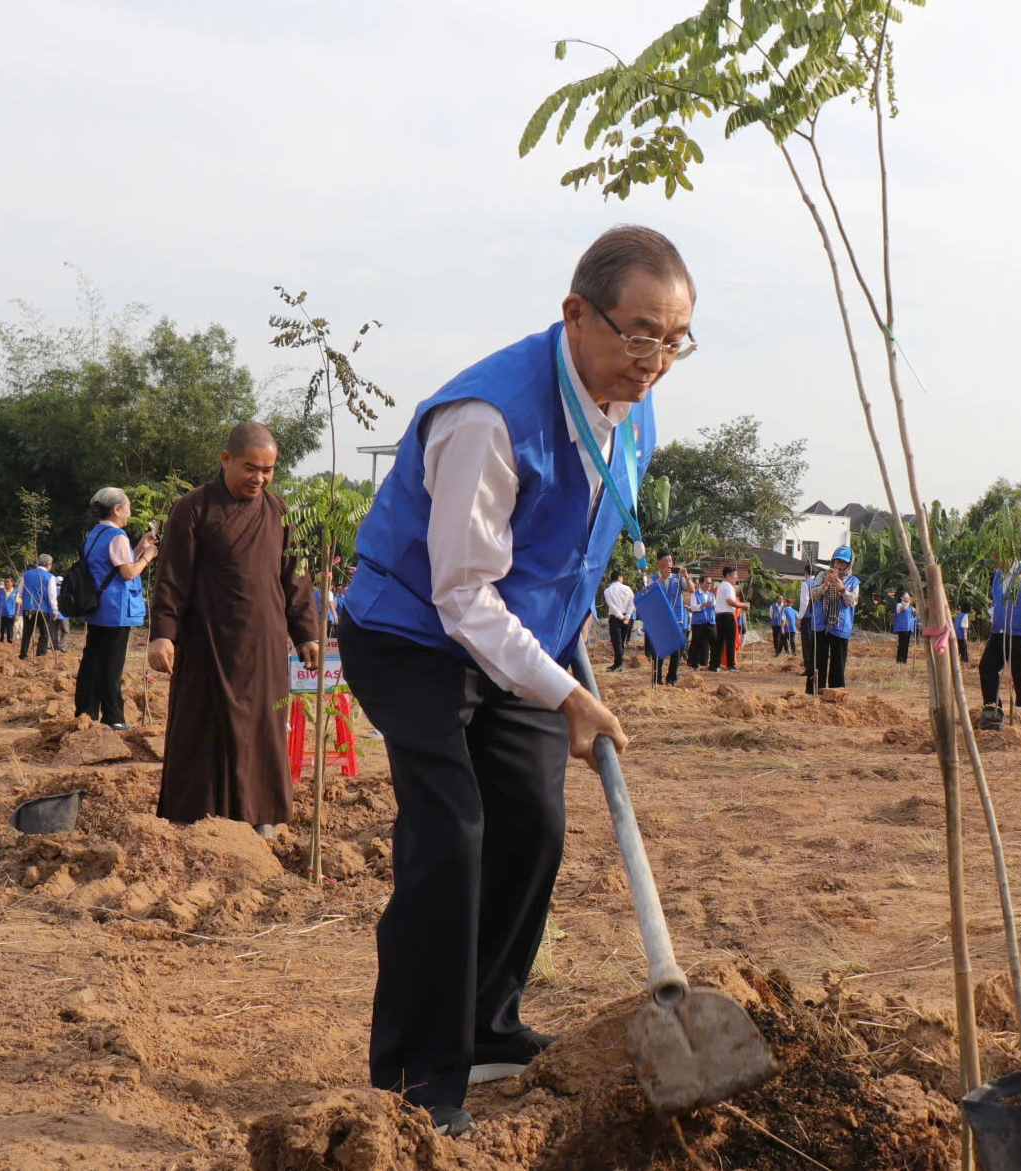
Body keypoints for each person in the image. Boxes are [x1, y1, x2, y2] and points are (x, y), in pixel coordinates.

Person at [335, 226, 689, 1138]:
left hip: (528, 637)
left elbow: (575, 542)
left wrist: (567, 658)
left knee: (532, 822)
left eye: (675, 339)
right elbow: (461, 593)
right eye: (639, 334)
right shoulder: (489, 418)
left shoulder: (633, 408)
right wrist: (566, 694)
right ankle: (418, 1075)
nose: (655, 360)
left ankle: (488, 1025)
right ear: (576, 314)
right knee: (452, 833)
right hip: (414, 632)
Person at [149, 422, 320, 832]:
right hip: (206, 642)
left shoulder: (280, 513)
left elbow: (296, 580)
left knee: (263, 732)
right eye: (250, 468)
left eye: (268, 470)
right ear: (226, 460)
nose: (259, 478)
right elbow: (172, 577)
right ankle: (192, 822)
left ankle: (262, 821)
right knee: (201, 729)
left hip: (262, 647)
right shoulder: (193, 508)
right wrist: (162, 634)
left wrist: (308, 633)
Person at [73, 489, 159, 729]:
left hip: (98, 608)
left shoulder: (95, 534)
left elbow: (114, 563)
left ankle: (85, 712)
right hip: (115, 609)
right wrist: (148, 557)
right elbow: (128, 571)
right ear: (117, 509)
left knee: (92, 660)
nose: (130, 512)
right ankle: (114, 718)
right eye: (128, 507)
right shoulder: (117, 536)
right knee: (111, 664)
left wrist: (140, 547)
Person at [978, 557, 1021, 729]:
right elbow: (996, 602)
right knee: (986, 667)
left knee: (1020, 675)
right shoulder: (998, 575)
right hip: (999, 632)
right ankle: (993, 708)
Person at [809, 547, 860, 693]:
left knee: (838, 661)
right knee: (818, 660)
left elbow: (852, 601)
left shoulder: (853, 581)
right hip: (821, 623)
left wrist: (842, 588)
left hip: (841, 625)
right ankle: (814, 692)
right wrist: (825, 584)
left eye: (843, 563)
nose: (839, 566)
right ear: (833, 561)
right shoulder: (821, 575)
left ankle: (836, 693)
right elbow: (813, 595)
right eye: (837, 562)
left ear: (849, 564)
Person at [644, 550, 690, 686]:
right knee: (658, 651)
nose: (668, 563)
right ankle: (656, 679)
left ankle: (672, 678)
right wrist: (661, 578)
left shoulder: (679, 578)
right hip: (659, 621)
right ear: (658, 562)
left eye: (670, 561)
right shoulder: (653, 578)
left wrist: (686, 576)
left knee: (677, 651)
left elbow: (691, 589)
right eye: (665, 561)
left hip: (676, 620)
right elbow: (647, 592)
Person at [711, 564, 749, 672]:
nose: (736, 577)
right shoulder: (728, 586)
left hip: (720, 616)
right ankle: (730, 665)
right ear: (728, 575)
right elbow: (730, 601)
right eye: (734, 575)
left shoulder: (721, 586)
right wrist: (743, 605)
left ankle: (715, 665)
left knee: (720, 641)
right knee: (730, 641)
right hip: (727, 616)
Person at [18, 555, 56, 659]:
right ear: (48, 564)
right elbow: (52, 595)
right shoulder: (50, 577)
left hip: (28, 608)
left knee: (27, 632)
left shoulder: (26, 575)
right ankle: (41, 654)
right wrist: (55, 610)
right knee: (44, 633)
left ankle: (23, 655)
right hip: (43, 610)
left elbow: (20, 592)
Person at [602, 571, 635, 672]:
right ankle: (618, 664)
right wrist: (628, 616)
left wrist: (620, 616)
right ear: (620, 577)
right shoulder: (628, 589)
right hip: (627, 618)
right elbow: (632, 602)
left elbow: (612, 605)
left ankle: (618, 665)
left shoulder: (607, 591)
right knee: (621, 642)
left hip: (616, 618)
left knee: (617, 642)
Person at [686, 575, 716, 669]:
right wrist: (704, 604)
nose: (709, 585)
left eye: (710, 583)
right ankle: (693, 663)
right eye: (707, 582)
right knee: (696, 643)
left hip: (710, 622)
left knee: (714, 642)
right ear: (701, 583)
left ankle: (713, 664)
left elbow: (715, 606)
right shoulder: (695, 594)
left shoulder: (711, 595)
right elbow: (693, 608)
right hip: (698, 623)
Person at [797, 562, 818, 689]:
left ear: (806, 573)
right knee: (814, 644)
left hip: (808, 618)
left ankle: (808, 667)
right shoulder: (818, 583)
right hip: (818, 619)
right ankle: (814, 666)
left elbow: (804, 603)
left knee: (807, 644)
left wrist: (799, 618)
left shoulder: (806, 584)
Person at [893, 589, 916, 664]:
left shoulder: (910, 607)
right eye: (906, 596)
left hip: (909, 627)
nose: (908, 597)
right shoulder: (899, 604)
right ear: (901, 598)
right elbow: (903, 608)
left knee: (906, 644)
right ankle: (900, 660)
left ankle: (904, 661)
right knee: (902, 644)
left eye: (909, 596)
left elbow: (916, 612)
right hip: (902, 627)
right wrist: (909, 602)